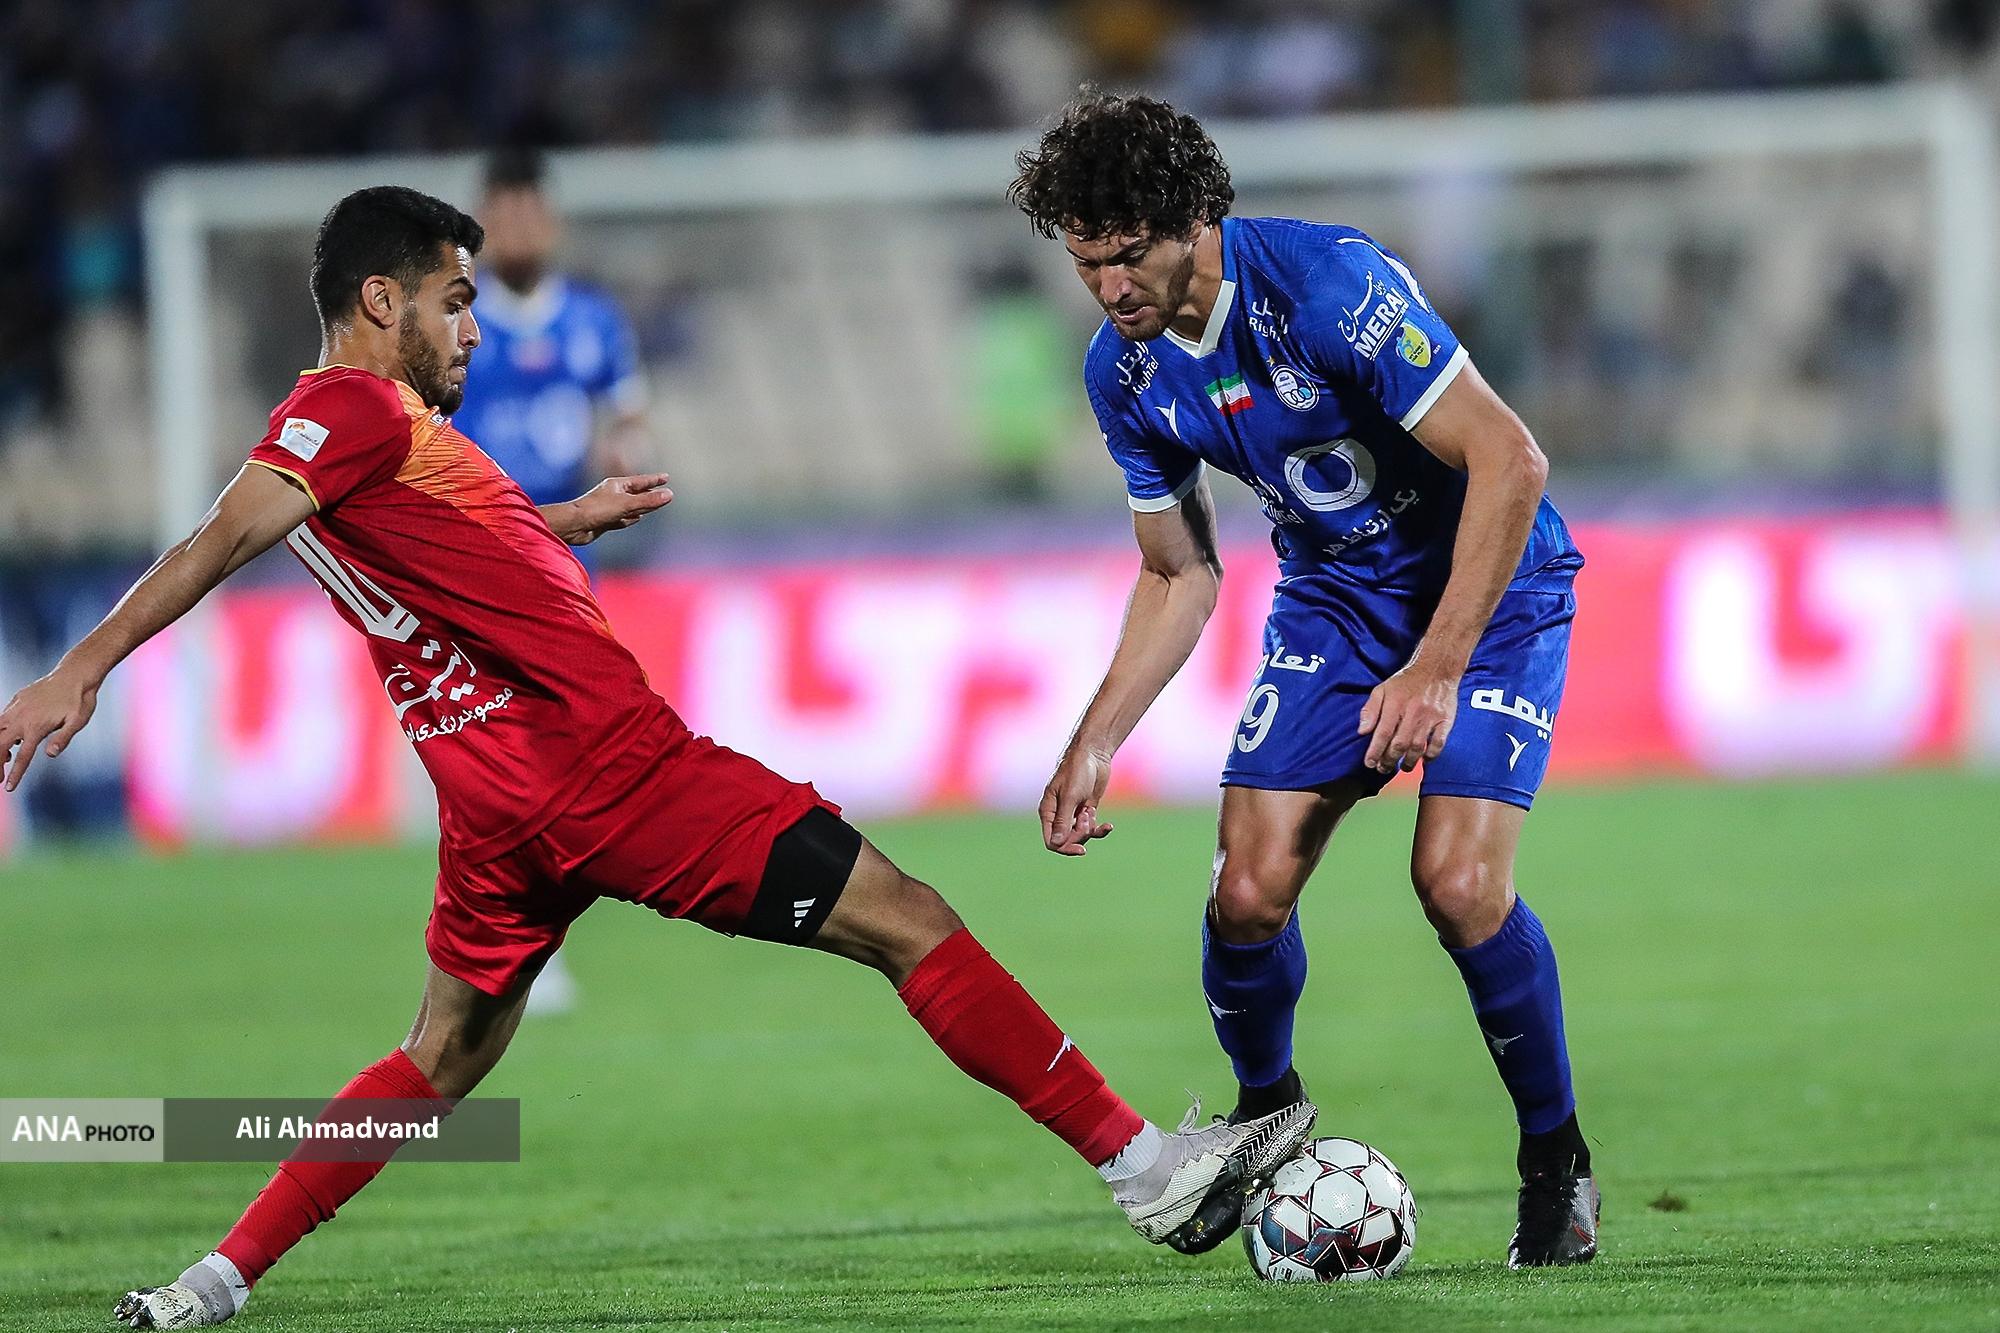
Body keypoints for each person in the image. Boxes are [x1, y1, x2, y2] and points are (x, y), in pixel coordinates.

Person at [0, 187, 1315, 1329]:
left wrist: (565, 517)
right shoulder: (344, 409)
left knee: (438, 1057)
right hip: (606, 770)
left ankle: (214, 1280)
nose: (474, 328)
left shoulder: (376, 437)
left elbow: (441, 543)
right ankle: (1146, 1170)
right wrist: (83, 666)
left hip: (493, 807)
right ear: (380, 299)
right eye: (455, 302)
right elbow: (219, 538)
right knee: (908, 920)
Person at [1011, 93, 1598, 1268]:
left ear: (1193, 221)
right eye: (1085, 262)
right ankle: (1266, 1115)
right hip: (1336, 600)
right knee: (1244, 894)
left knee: (1456, 886)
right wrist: (1095, 738)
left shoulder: (1324, 283)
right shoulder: (1122, 372)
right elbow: (1177, 571)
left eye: (1128, 255)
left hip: (1490, 591)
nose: (1109, 287)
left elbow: (1509, 458)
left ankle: (1553, 1157)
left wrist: (1435, 665)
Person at [451, 145, 653, 1015]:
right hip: (472, 571)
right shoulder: (458, 324)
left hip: (568, 572)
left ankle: (523, 945)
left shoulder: (594, 320)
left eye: (531, 211)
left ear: (552, 219)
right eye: (503, 215)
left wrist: (626, 452)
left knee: (555, 762)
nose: (520, 230)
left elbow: (629, 416)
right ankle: (511, 947)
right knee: (501, 763)